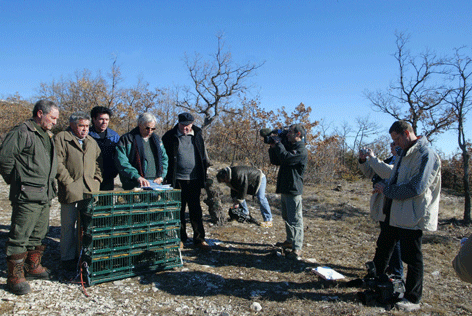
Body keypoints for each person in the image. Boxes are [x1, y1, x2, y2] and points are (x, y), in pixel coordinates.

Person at [372, 120, 441, 311]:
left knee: (412, 258)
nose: (395, 144)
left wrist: (388, 191)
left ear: (406, 133)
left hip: (412, 215)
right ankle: (376, 282)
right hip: (394, 213)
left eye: (396, 139)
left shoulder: (426, 154)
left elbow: (417, 187)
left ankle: (413, 298)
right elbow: (394, 180)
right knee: (383, 248)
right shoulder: (403, 154)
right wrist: (385, 190)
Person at [0, 100, 59, 295]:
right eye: (52, 118)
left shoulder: (45, 135)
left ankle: (32, 266)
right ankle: (14, 277)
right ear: (40, 113)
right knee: (20, 235)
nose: (55, 122)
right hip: (27, 194)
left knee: (39, 233)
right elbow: (5, 159)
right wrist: (17, 180)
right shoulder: (23, 132)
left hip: (44, 194)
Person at [55, 111, 102, 271]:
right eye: (81, 126)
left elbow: (96, 163)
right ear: (73, 125)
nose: (85, 129)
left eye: (87, 126)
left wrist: (97, 180)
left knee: (88, 225)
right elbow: (58, 163)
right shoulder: (61, 138)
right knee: (68, 225)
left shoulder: (91, 142)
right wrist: (68, 182)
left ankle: (84, 256)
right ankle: (67, 258)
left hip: (89, 190)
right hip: (70, 189)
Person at [162, 112, 211, 251]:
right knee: (179, 210)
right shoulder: (169, 137)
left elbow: (203, 157)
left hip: (195, 179)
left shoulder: (197, 135)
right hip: (176, 179)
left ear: (192, 124)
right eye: (183, 125)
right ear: (178, 123)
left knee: (196, 210)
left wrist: (205, 175)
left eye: (188, 125)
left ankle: (200, 239)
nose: (186, 128)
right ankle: (181, 239)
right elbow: (164, 158)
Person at [358, 143, 403, 277]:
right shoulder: (389, 160)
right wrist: (363, 160)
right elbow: (372, 173)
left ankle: (396, 271)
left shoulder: (403, 162)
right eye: (391, 145)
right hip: (383, 203)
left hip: (394, 204)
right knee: (386, 238)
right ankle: (386, 268)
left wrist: (372, 158)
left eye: (395, 144)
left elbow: (389, 172)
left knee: (393, 240)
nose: (391, 147)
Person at [268, 124, 308, 261]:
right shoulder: (290, 148)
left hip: (293, 189)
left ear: (298, 134)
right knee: (287, 217)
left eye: (290, 132)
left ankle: (297, 248)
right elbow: (276, 160)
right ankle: (290, 240)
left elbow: (286, 158)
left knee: (295, 219)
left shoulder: (301, 150)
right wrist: (273, 146)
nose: (287, 134)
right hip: (285, 187)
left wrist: (279, 143)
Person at [115, 112, 168, 190]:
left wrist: (161, 177)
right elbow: (121, 162)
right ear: (140, 124)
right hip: (134, 183)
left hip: (155, 183)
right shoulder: (127, 139)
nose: (150, 131)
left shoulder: (157, 140)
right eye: (147, 128)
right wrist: (137, 177)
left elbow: (164, 159)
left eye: (153, 129)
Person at [89, 106, 120, 191]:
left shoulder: (114, 136)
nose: (104, 122)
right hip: (90, 176)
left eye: (107, 120)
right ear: (94, 119)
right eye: (101, 119)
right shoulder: (87, 135)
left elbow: (118, 156)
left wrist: (114, 172)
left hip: (108, 177)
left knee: (107, 202)